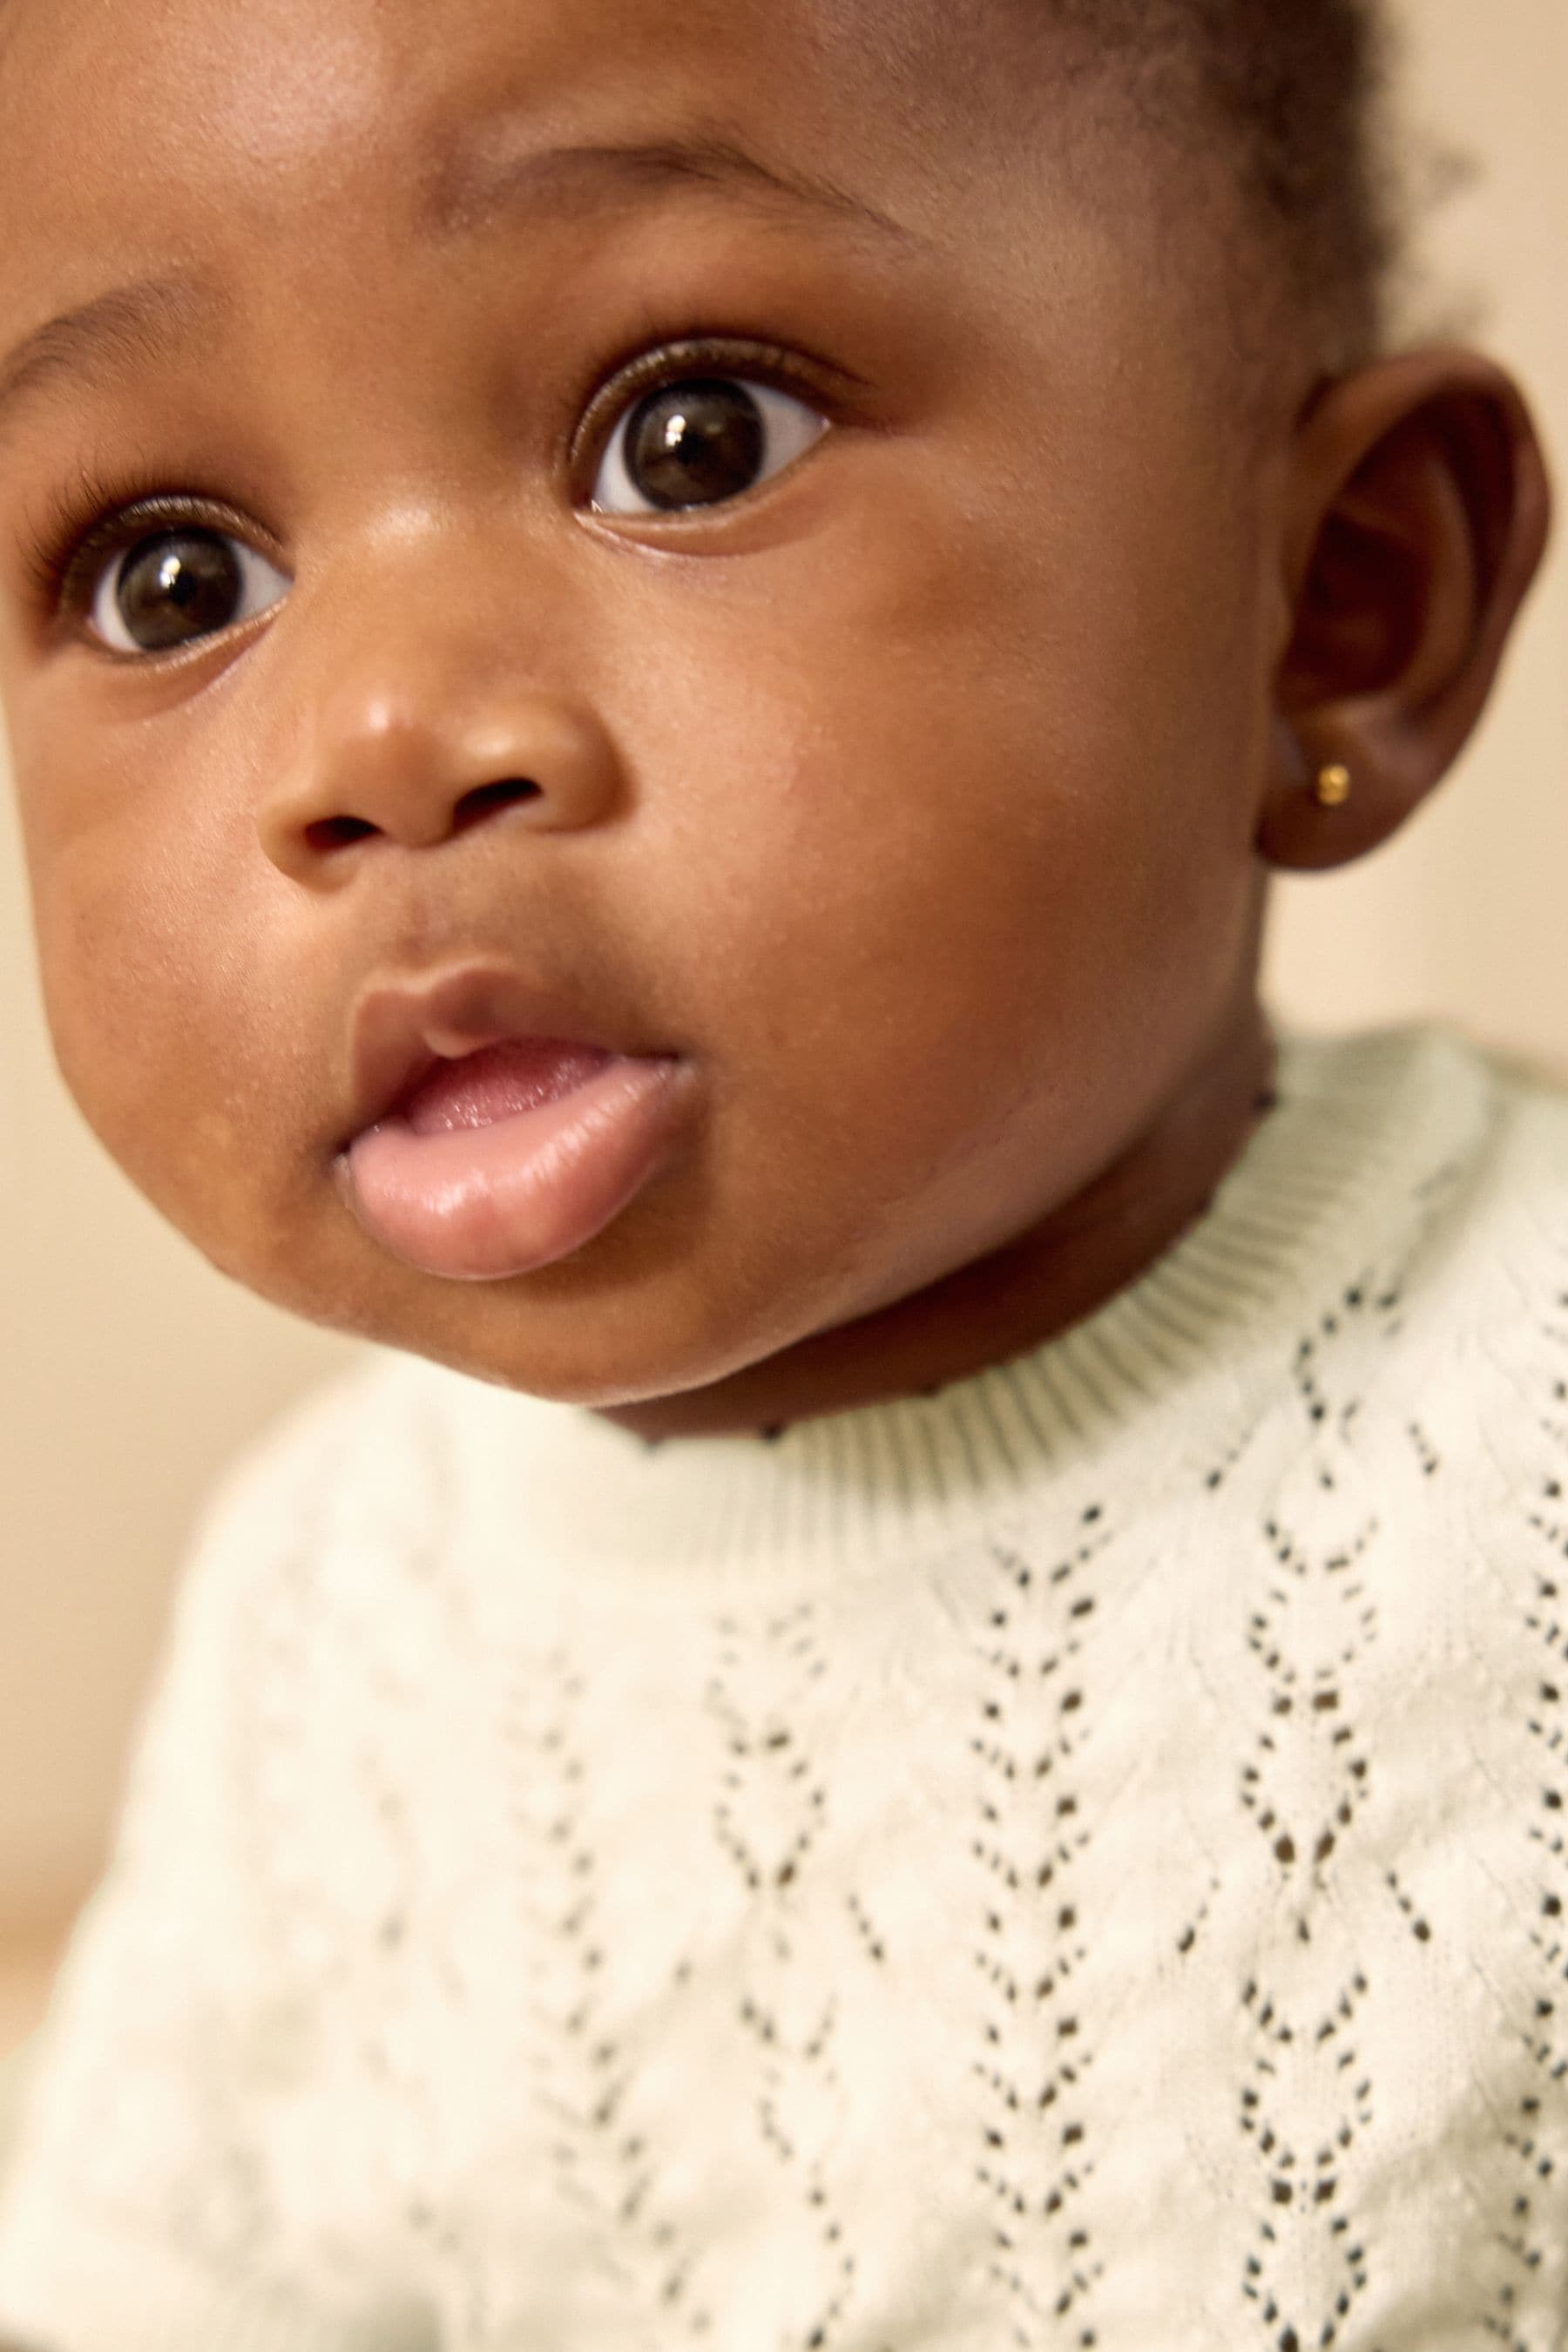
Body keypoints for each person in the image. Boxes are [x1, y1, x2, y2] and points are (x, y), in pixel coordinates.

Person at [0, 0, 1559, 2339]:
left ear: (1338, 597)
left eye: (687, 435)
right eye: (174, 579)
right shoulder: (328, 1619)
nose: (382, 740)